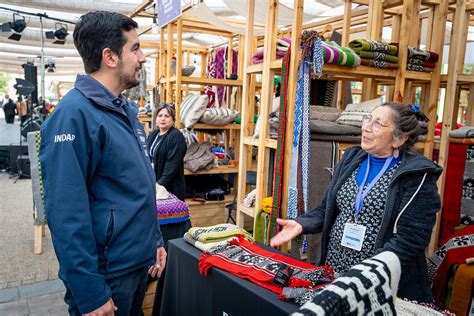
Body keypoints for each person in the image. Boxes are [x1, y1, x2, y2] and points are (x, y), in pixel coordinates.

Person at [40, 11, 166, 316]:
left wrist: (155, 240)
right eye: (135, 48)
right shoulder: (73, 115)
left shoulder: (124, 110)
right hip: (108, 276)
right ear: (110, 57)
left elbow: (136, 187)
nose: (143, 57)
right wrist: (89, 291)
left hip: (137, 264)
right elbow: (65, 212)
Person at [271, 102, 442, 303]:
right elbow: (326, 209)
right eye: (367, 119)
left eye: (378, 124)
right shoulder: (353, 159)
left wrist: (366, 274)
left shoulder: (417, 176)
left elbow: (411, 240)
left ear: (400, 138)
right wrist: (301, 223)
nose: (366, 127)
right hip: (334, 271)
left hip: (376, 284)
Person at [146, 103, 190, 315]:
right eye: (160, 115)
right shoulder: (154, 134)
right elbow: (147, 159)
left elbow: (172, 166)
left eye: (167, 116)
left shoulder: (176, 137)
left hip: (169, 187)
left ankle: (168, 260)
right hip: (154, 186)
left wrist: (159, 185)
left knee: (170, 229)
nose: (163, 119)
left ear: (173, 120)